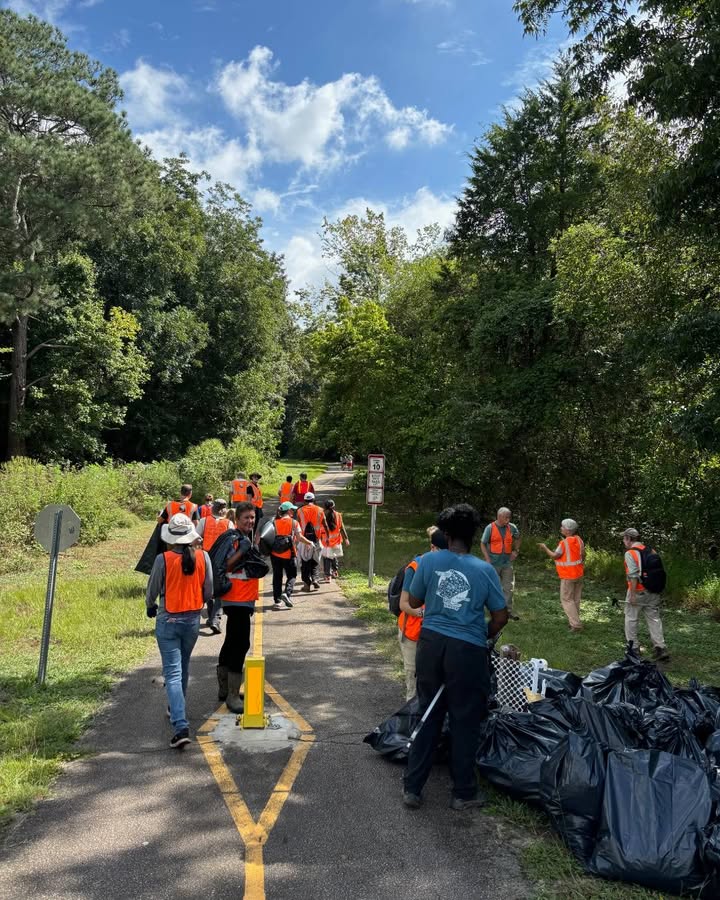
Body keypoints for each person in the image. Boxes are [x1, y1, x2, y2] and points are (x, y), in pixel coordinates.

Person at [401, 504, 508, 810]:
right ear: (473, 535)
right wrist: (482, 634)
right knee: (465, 718)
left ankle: (413, 788)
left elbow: (415, 600)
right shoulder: (485, 570)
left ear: (446, 534)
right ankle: (463, 792)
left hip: (431, 645)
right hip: (467, 650)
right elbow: (500, 616)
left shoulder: (428, 561)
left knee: (428, 711)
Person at [146, 514, 213, 749]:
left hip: (168, 620)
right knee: (183, 666)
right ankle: (176, 708)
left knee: (173, 673)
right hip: (192, 621)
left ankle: (180, 726)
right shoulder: (203, 556)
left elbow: (152, 589)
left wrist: (150, 606)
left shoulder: (163, 560)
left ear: (171, 538)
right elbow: (209, 591)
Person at [217, 501, 259, 713]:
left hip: (242, 598)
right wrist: (242, 551)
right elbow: (226, 565)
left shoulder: (243, 537)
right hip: (236, 598)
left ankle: (224, 689)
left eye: (252, 517)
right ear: (236, 519)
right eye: (246, 518)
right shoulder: (234, 539)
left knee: (231, 641)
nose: (250, 521)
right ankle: (232, 696)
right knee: (241, 644)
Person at [397, 526, 447, 700]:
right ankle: (412, 711)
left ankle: (427, 711)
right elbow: (403, 604)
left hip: (434, 634)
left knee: (433, 677)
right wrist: (423, 613)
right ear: (433, 548)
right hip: (412, 632)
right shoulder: (415, 567)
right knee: (413, 675)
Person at [622, 528, 670, 662]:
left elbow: (633, 576)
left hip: (638, 591)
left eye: (624, 538)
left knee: (631, 618)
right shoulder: (651, 550)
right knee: (654, 618)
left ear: (629, 539)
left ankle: (633, 648)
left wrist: (632, 595)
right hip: (653, 591)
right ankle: (660, 648)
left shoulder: (630, 553)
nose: (623, 541)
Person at [538, 519, 586, 632]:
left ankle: (576, 625)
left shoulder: (564, 543)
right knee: (575, 599)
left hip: (568, 575)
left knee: (567, 600)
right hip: (579, 574)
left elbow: (555, 556)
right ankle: (574, 622)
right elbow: (583, 555)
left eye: (562, 527)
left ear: (568, 530)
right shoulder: (579, 540)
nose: (561, 528)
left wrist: (545, 548)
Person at [197, 499, 235, 634]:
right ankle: (215, 619)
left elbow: (197, 537)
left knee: (207, 585)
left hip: (206, 557)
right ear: (224, 510)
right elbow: (233, 541)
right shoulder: (229, 523)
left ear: (212, 508)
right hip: (222, 559)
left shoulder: (204, 521)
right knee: (220, 588)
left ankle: (211, 614)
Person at [270, 501, 314, 611]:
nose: (293, 512)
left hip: (275, 554)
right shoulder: (294, 522)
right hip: (289, 554)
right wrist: (309, 542)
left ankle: (277, 601)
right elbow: (299, 537)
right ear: (289, 511)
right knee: (292, 575)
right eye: (292, 510)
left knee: (277, 577)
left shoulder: (274, 522)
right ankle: (287, 593)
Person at [480, 507, 521, 621]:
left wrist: (516, 551)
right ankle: (491, 611)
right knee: (492, 588)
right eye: (506, 517)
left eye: (509, 517)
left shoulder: (512, 527)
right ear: (499, 516)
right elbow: (482, 543)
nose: (508, 520)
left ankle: (507, 612)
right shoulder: (490, 528)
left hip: (507, 563)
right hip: (493, 563)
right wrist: (487, 558)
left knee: (509, 588)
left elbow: (518, 538)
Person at [297, 492, 326, 591]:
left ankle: (307, 584)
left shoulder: (300, 511)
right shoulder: (320, 510)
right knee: (315, 560)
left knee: (305, 561)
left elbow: (297, 525)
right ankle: (315, 579)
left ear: (304, 500)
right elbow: (325, 524)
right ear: (313, 500)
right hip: (316, 539)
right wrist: (326, 537)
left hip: (304, 540)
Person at [319, 499, 350, 581]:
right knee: (334, 556)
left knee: (327, 558)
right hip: (336, 541)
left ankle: (327, 576)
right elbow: (342, 528)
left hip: (326, 541)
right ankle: (335, 571)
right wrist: (346, 539)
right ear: (334, 507)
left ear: (324, 507)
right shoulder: (338, 515)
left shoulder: (322, 516)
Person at [248, 472, 264, 537]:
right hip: (253, 507)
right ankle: (250, 538)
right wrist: (251, 508)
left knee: (256, 524)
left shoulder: (257, 486)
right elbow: (249, 498)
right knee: (252, 524)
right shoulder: (250, 486)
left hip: (258, 507)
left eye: (257, 477)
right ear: (252, 478)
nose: (256, 478)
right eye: (255, 477)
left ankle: (252, 537)